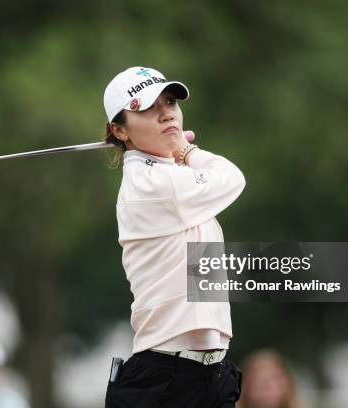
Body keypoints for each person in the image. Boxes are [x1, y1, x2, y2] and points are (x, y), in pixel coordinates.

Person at [102, 66, 246, 407]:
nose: (166, 113)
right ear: (119, 130)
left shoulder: (171, 176)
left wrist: (180, 156)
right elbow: (232, 177)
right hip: (164, 381)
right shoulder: (150, 186)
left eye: (170, 102)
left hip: (211, 377)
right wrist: (187, 151)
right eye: (149, 107)